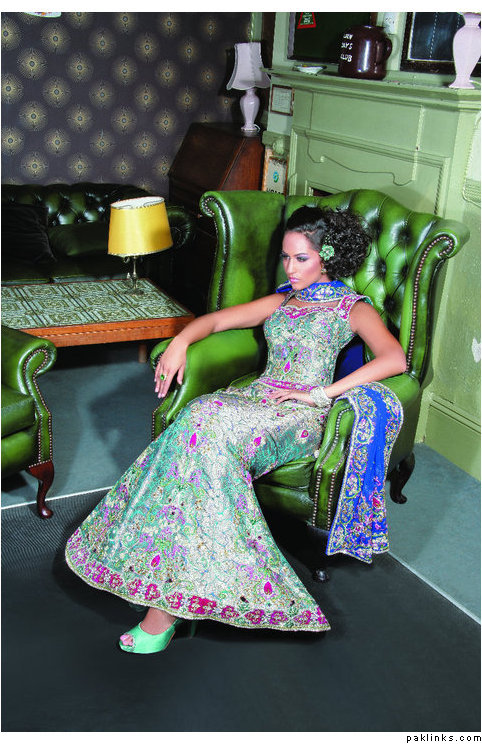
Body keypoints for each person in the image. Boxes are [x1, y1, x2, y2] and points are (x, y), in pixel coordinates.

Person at [65, 205, 406, 654]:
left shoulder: (351, 307)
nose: (290, 268)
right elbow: (217, 320)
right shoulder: (283, 300)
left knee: (209, 433)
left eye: (301, 258)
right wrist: (180, 342)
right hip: (255, 398)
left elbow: (394, 359)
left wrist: (321, 394)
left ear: (327, 257)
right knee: (199, 415)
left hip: (298, 415)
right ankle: (175, 587)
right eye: (285, 257)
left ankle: (164, 611)